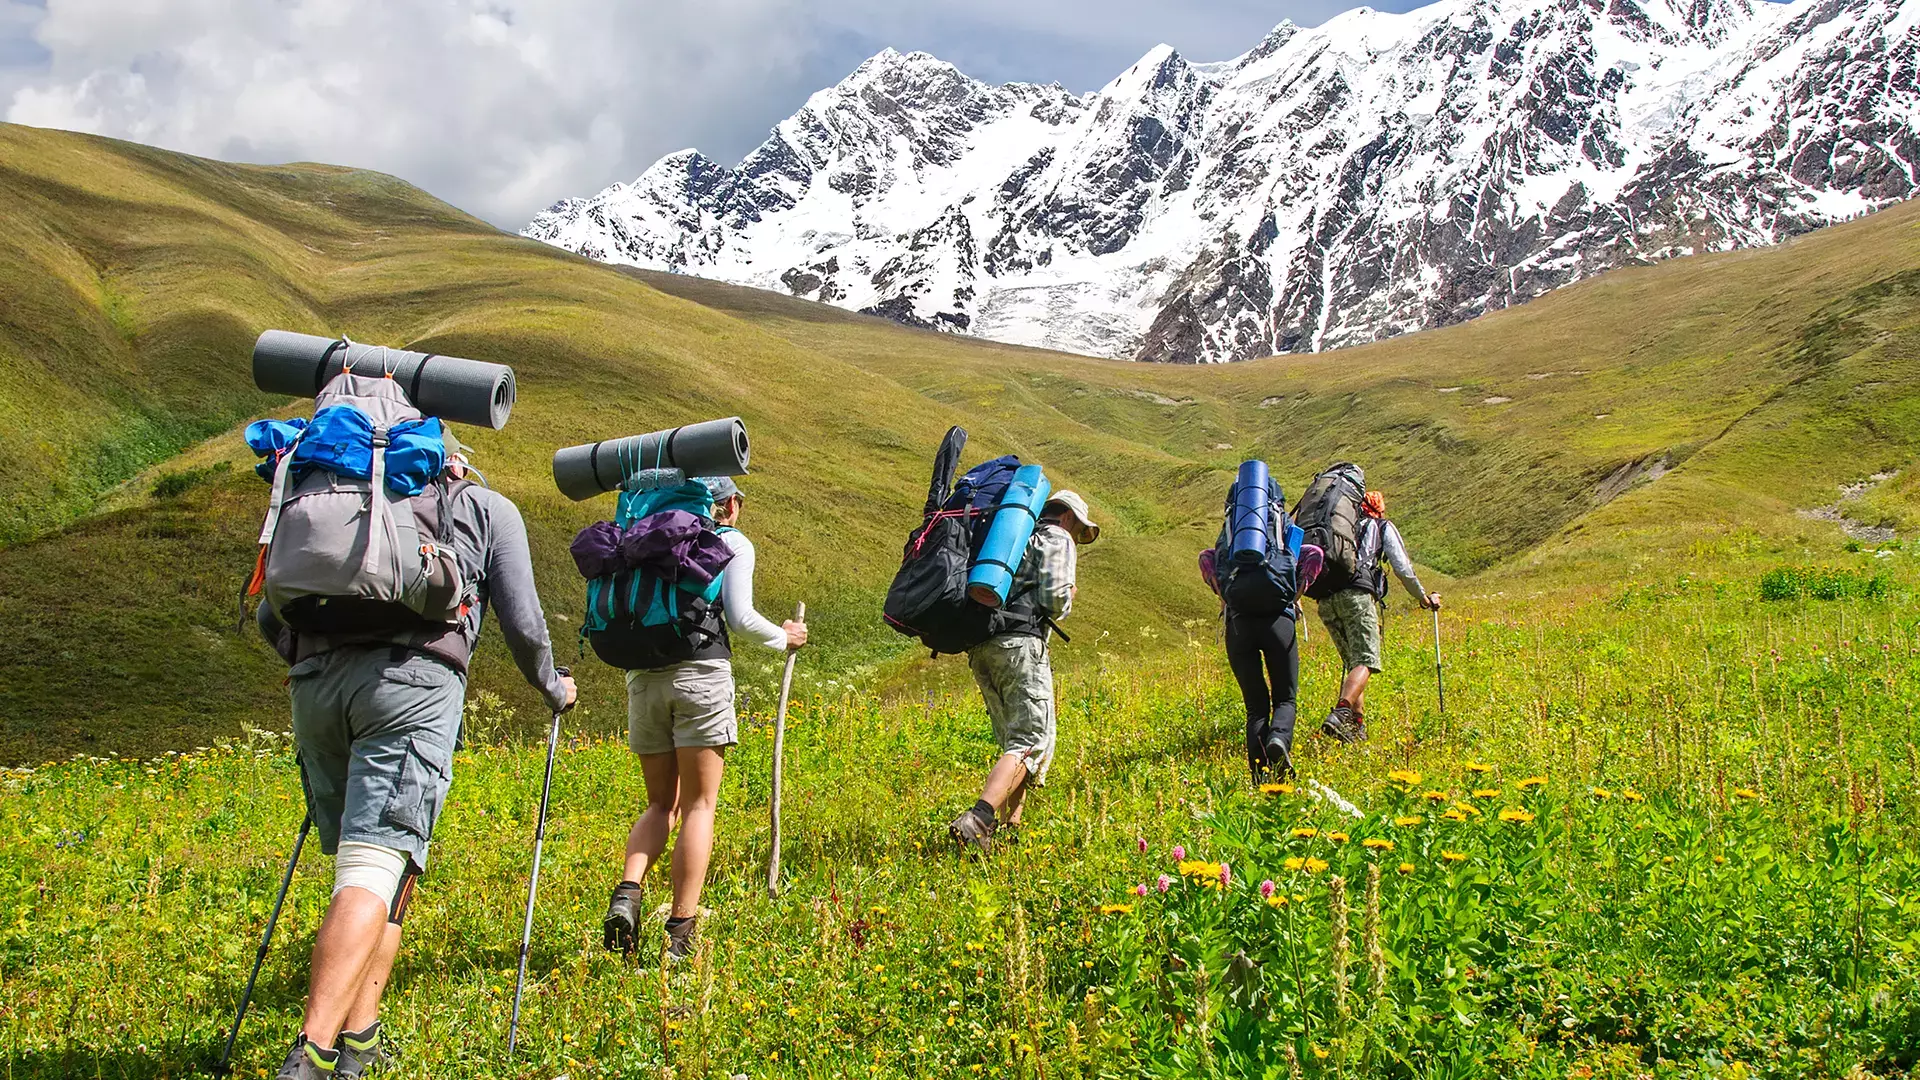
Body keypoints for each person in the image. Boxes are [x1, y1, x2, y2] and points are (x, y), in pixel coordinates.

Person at [261, 441, 577, 1080]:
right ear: (455, 463)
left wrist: (320, 665)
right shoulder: (486, 508)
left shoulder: (338, 499)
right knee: (375, 865)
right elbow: (521, 619)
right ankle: (313, 1053)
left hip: (315, 683)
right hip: (411, 688)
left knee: (378, 869)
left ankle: (360, 1038)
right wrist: (553, 685)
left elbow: (272, 611)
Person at [602, 476, 807, 961]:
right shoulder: (730, 541)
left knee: (660, 805)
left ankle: (628, 893)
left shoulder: (642, 537)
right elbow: (739, 617)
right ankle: (679, 933)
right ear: (729, 505)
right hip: (700, 674)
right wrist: (785, 637)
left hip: (643, 678)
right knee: (699, 806)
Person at [948, 491, 1098, 852]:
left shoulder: (1015, 540)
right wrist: (1069, 598)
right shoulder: (1056, 537)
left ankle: (1009, 827)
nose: (1076, 537)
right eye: (1078, 529)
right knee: (1031, 741)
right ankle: (979, 819)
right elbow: (1055, 598)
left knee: (1013, 740)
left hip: (983, 646)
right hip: (1020, 645)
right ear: (1067, 518)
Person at [1315, 488, 1440, 743]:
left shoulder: (1339, 528)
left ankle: (1355, 727)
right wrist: (1423, 598)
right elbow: (1402, 567)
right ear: (1379, 509)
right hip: (1357, 597)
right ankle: (1341, 713)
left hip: (1326, 599)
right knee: (1366, 661)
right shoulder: (1381, 527)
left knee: (1353, 664)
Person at [1203, 541, 1324, 782]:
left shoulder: (1232, 539)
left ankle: (1260, 778)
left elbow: (1205, 558)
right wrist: (1298, 589)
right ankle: (1278, 739)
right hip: (1279, 621)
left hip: (1238, 625)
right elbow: (1315, 554)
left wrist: (1222, 590)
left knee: (1255, 707)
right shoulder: (1284, 537)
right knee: (1285, 698)